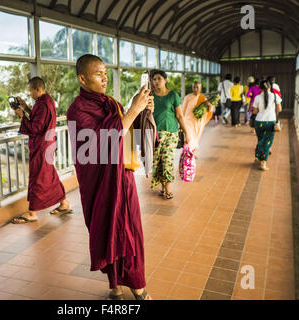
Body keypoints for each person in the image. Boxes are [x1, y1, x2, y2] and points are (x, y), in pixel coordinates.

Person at [67, 54, 152, 300]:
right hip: (99, 183)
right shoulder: (77, 110)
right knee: (106, 229)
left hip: (121, 177)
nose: (104, 78)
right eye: (97, 74)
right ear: (82, 79)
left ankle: (137, 285)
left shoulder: (111, 102)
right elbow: (101, 144)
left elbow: (125, 132)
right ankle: (115, 283)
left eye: (105, 73)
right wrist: (134, 108)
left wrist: (142, 112)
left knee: (131, 229)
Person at [10, 77, 72, 224]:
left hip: (42, 146)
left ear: (38, 89)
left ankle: (32, 212)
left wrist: (21, 116)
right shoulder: (45, 101)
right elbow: (38, 119)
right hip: (47, 144)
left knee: (37, 177)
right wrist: (26, 108)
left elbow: (35, 127)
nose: (30, 94)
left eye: (30, 90)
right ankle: (64, 203)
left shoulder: (43, 104)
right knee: (48, 175)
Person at [150, 70, 190, 200]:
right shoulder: (150, 96)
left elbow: (179, 115)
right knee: (158, 161)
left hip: (171, 133)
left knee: (167, 159)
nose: (156, 81)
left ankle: (167, 189)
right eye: (154, 79)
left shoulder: (173, 95)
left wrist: (186, 132)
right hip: (155, 134)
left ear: (165, 80)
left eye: (159, 79)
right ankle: (163, 186)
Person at [253, 80, 282, 171]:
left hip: (259, 122)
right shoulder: (275, 96)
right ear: (270, 87)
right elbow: (279, 109)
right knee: (267, 143)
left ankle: (258, 157)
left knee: (260, 140)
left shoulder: (257, 97)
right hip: (270, 122)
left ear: (260, 88)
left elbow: (254, 111)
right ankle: (263, 163)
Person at [181, 82, 214, 153]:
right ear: (192, 88)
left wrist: (209, 105)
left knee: (195, 138)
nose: (195, 89)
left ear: (200, 88)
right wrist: (181, 122)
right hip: (188, 121)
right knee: (188, 137)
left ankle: (192, 152)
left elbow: (209, 110)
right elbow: (183, 110)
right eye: (194, 87)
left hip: (198, 122)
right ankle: (188, 152)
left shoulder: (203, 98)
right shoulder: (187, 97)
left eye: (197, 87)